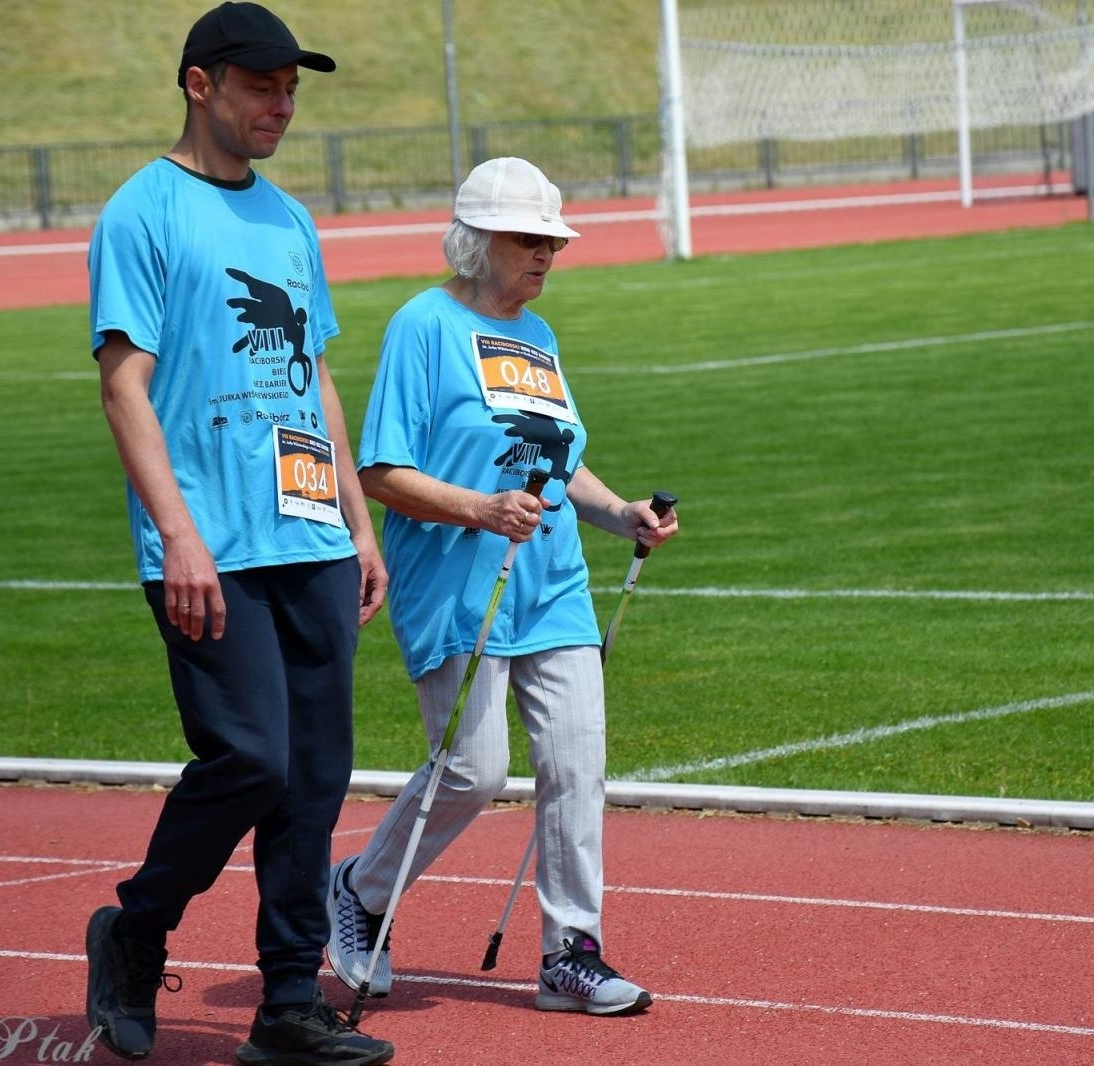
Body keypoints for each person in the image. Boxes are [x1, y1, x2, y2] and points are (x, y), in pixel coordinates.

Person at [82, 4, 393, 1064]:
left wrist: (357, 523)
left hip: (311, 536)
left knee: (314, 776)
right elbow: (124, 387)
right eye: (262, 85)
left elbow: (316, 377)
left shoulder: (290, 219)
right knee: (252, 758)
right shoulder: (143, 212)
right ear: (199, 84)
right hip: (210, 544)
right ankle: (137, 928)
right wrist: (178, 535)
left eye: (291, 89)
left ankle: (289, 1005)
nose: (282, 105)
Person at [325, 157, 678, 1017]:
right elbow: (380, 473)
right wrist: (480, 509)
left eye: (553, 241)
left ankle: (569, 953)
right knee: (474, 772)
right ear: (477, 241)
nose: (546, 255)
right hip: (457, 584)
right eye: (528, 240)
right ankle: (362, 891)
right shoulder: (423, 326)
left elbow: (557, 460)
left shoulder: (539, 335)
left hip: (551, 582)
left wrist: (618, 513)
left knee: (576, 763)